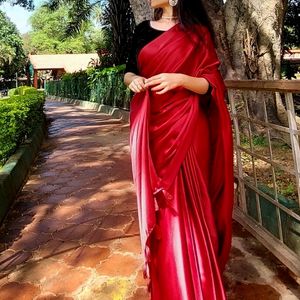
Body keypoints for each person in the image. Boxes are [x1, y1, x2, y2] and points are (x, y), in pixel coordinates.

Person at [124, 0, 234, 299]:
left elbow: (212, 84)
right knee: (161, 201)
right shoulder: (142, 31)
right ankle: (167, 271)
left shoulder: (197, 34)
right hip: (152, 126)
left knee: (189, 198)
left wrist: (182, 79)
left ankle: (197, 276)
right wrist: (134, 81)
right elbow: (129, 70)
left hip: (189, 126)